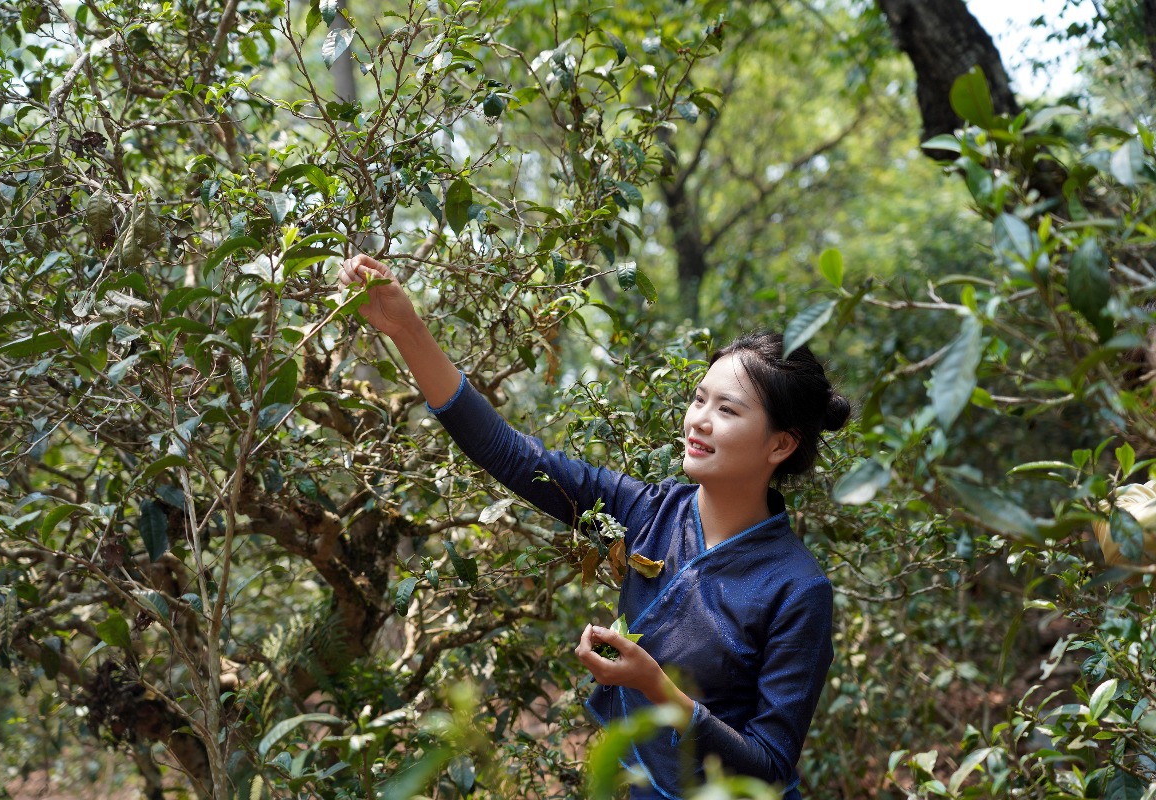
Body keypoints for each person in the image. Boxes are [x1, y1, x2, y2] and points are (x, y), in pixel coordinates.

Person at [338, 254, 850, 799]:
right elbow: (510, 454)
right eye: (699, 398)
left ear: (780, 443)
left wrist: (654, 686)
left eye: (727, 409)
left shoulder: (799, 589)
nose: (698, 419)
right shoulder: (647, 511)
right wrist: (407, 328)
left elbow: (770, 765)